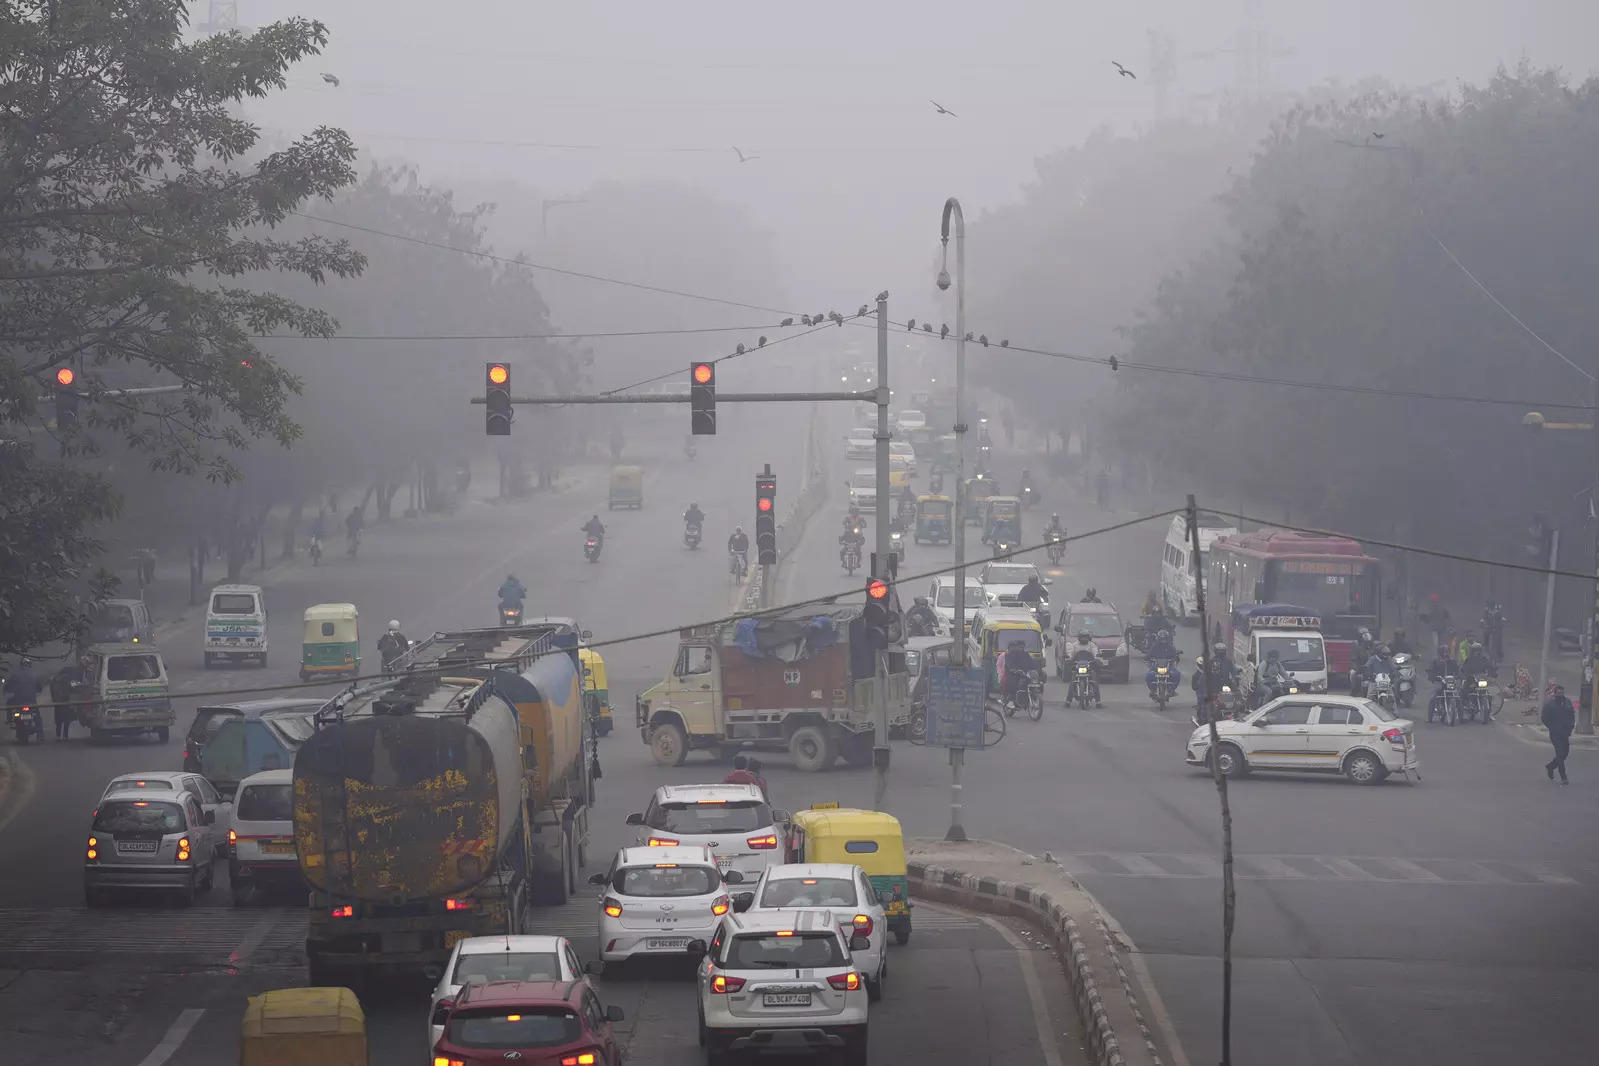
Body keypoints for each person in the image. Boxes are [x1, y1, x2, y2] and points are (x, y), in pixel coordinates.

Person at [1541, 680, 1575, 784]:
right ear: (1555, 694)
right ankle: (1563, 777)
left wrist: (1571, 727)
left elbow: (1572, 715)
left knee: (1565, 754)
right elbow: (1544, 718)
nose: (1561, 695)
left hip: (1565, 733)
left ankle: (1550, 766)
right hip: (1555, 734)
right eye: (1558, 693)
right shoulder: (1549, 705)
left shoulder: (1567, 702)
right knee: (1560, 754)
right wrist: (1552, 727)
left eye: (1562, 693)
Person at [49, 660, 81, 740]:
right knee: (67, 719)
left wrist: (54, 700)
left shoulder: (54, 679)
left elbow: (52, 691)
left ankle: (58, 736)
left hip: (57, 702)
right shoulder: (70, 680)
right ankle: (65, 735)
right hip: (66, 701)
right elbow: (75, 688)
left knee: (58, 720)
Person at [1070, 633, 1102, 706]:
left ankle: (1098, 702)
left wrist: (1097, 657)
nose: (1084, 639)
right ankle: (1068, 701)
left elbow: (1095, 653)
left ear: (1088, 638)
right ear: (1079, 638)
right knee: (1072, 682)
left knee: (1094, 681)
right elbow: (1071, 654)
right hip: (1078, 667)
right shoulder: (1075, 645)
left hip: (1089, 667)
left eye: (1085, 637)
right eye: (1082, 637)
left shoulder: (1092, 645)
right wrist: (1069, 658)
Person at [1000, 639, 1033, 707]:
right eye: (1020, 647)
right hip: (1013, 674)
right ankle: (1010, 700)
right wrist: (1014, 670)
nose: (1021, 648)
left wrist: (1036, 666)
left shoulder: (1026, 654)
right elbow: (1010, 664)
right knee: (1013, 685)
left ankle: (1026, 699)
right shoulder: (1012, 654)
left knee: (1030, 682)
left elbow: (1031, 662)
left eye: (1022, 647)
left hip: (1024, 674)